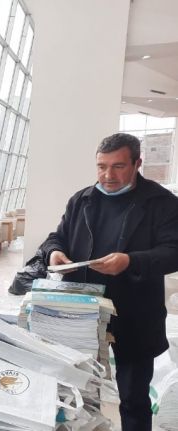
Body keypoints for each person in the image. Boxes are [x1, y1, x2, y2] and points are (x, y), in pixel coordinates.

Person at [39, 133, 178, 431]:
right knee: (80, 396)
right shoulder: (83, 200)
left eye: (118, 166)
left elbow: (174, 252)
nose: (107, 175)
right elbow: (56, 237)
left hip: (135, 316)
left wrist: (131, 261)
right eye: (101, 167)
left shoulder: (162, 203)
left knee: (133, 398)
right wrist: (54, 252)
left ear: (137, 163)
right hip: (82, 315)